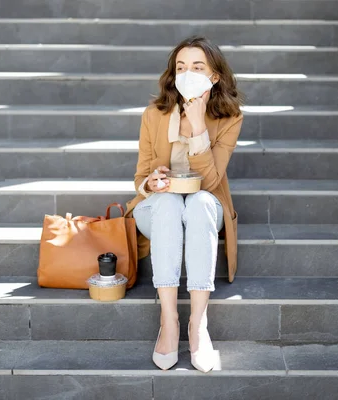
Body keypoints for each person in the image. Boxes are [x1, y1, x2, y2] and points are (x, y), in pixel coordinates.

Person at [124, 36, 244, 372]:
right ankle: (170, 320)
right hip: (158, 208)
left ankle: (198, 324)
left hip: (204, 206)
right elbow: (140, 176)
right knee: (168, 205)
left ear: (214, 76)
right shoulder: (153, 114)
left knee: (198, 202)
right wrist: (152, 182)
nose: (187, 73)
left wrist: (197, 123)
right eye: (180, 67)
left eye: (197, 67)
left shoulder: (230, 118)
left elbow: (210, 180)